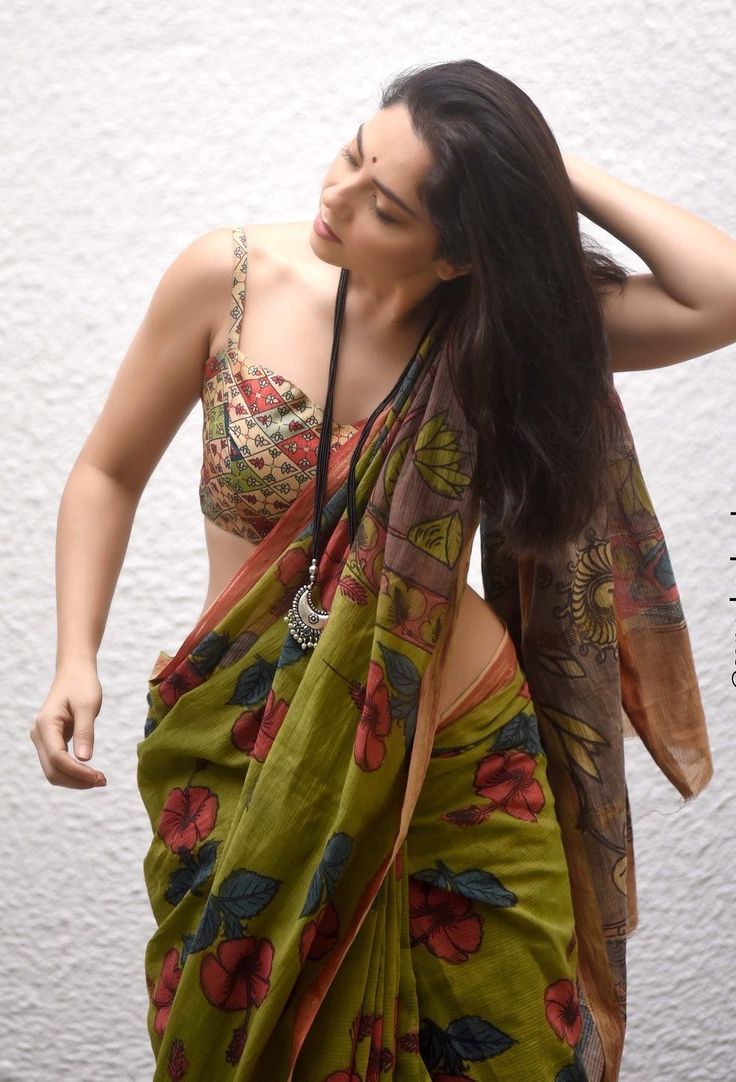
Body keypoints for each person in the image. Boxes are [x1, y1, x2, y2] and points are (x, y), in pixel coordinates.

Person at [29, 58, 724, 1081]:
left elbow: (723, 295)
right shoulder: (226, 280)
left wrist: (546, 173)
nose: (335, 198)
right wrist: (72, 657)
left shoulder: (501, 329)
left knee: (509, 1051)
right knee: (238, 1040)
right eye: (353, 153)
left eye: (385, 205)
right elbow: (105, 470)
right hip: (251, 740)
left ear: (457, 255)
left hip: (464, 764)